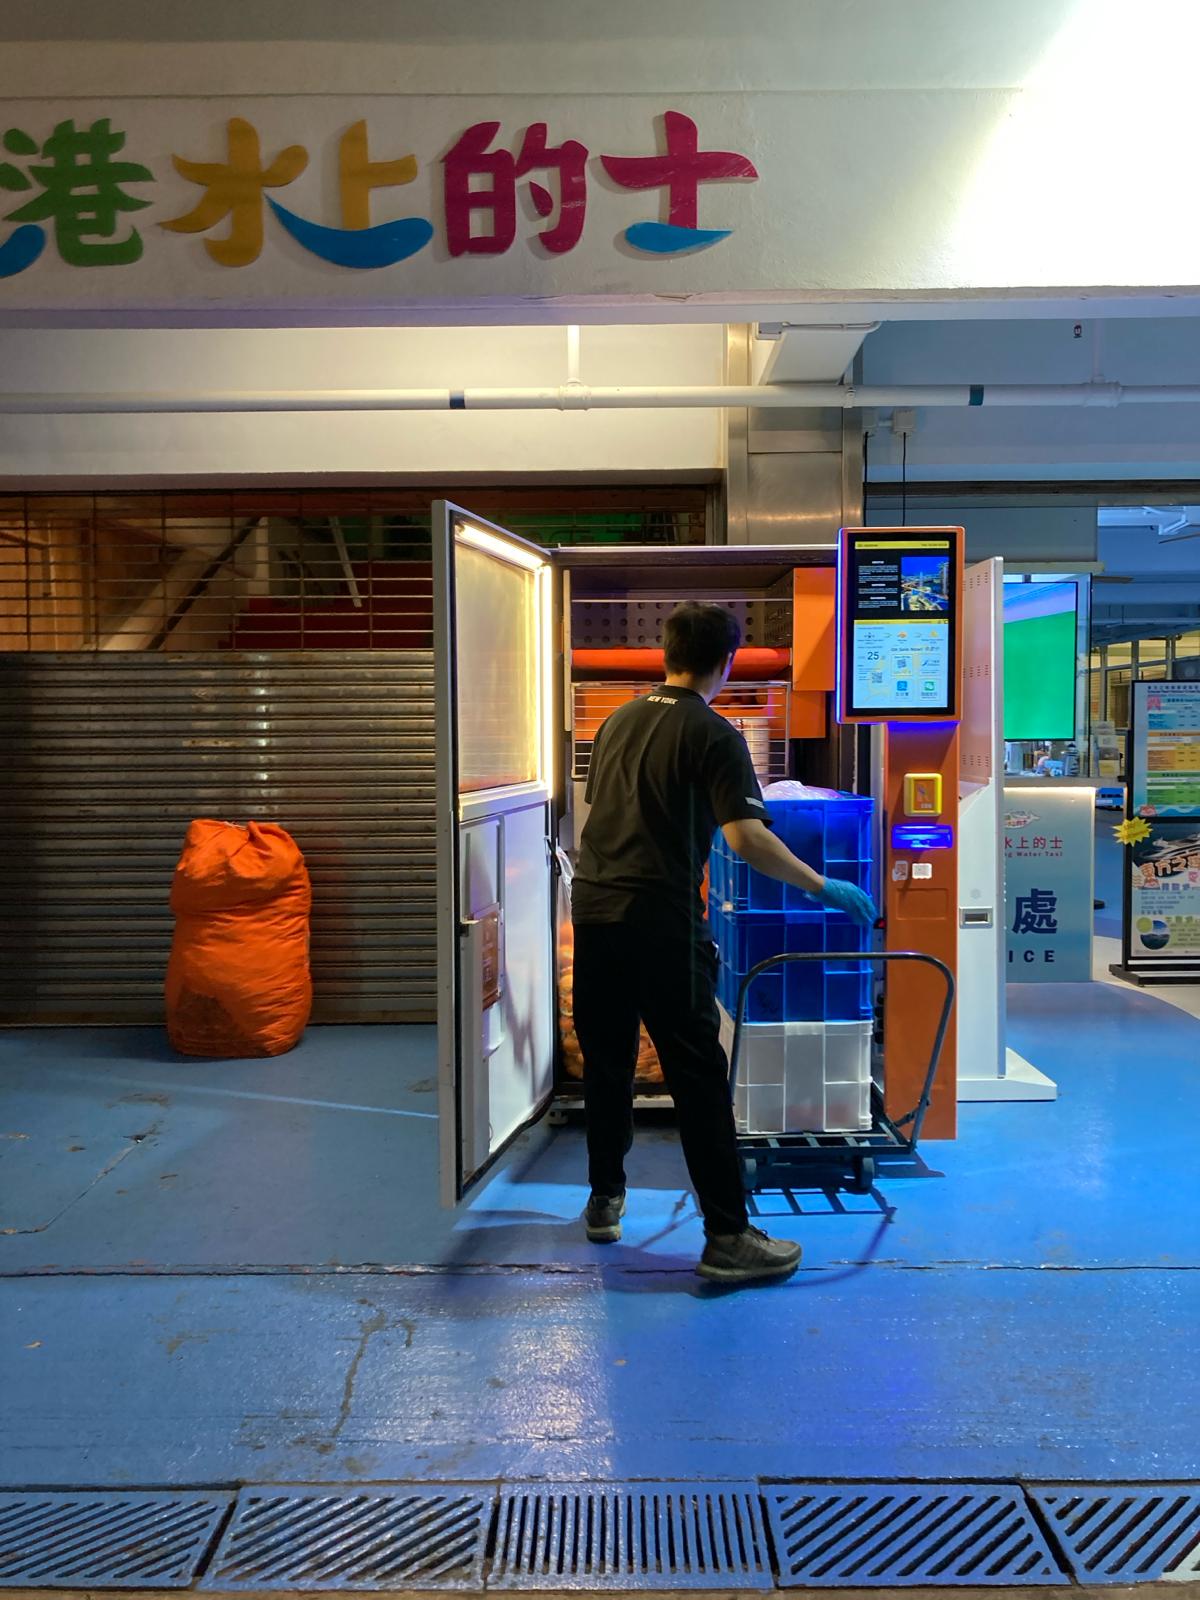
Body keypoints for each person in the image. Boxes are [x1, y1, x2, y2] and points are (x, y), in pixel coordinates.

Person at [570, 601, 877, 1284]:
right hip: (658, 918)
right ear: (728, 662)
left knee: (608, 1063)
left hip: (594, 909)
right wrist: (820, 886)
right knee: (698, 1077)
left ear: (665, 653)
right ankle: (728, 1237)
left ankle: (604, 1200)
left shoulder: (618, 719)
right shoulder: (714, 732)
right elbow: (745, 837)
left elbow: (611, 810)